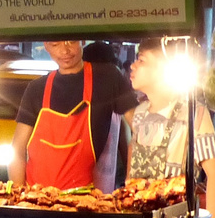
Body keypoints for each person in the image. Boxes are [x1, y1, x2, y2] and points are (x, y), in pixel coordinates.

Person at [9, 39, 139, 189]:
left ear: (82, 41)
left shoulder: (108, 78)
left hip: (84, 200)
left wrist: (131, 182)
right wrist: (18, 197)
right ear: (46, 46)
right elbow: (17, 150)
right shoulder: (36, 89)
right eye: (55, 44)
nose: (65, 51)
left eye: (71, 42)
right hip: (37, 198)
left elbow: (139, 130)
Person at [126, 39, 215, 218]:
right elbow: (131, 173)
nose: (132, 66)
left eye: (142, 60)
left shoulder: (194, 113)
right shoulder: (139, 114)